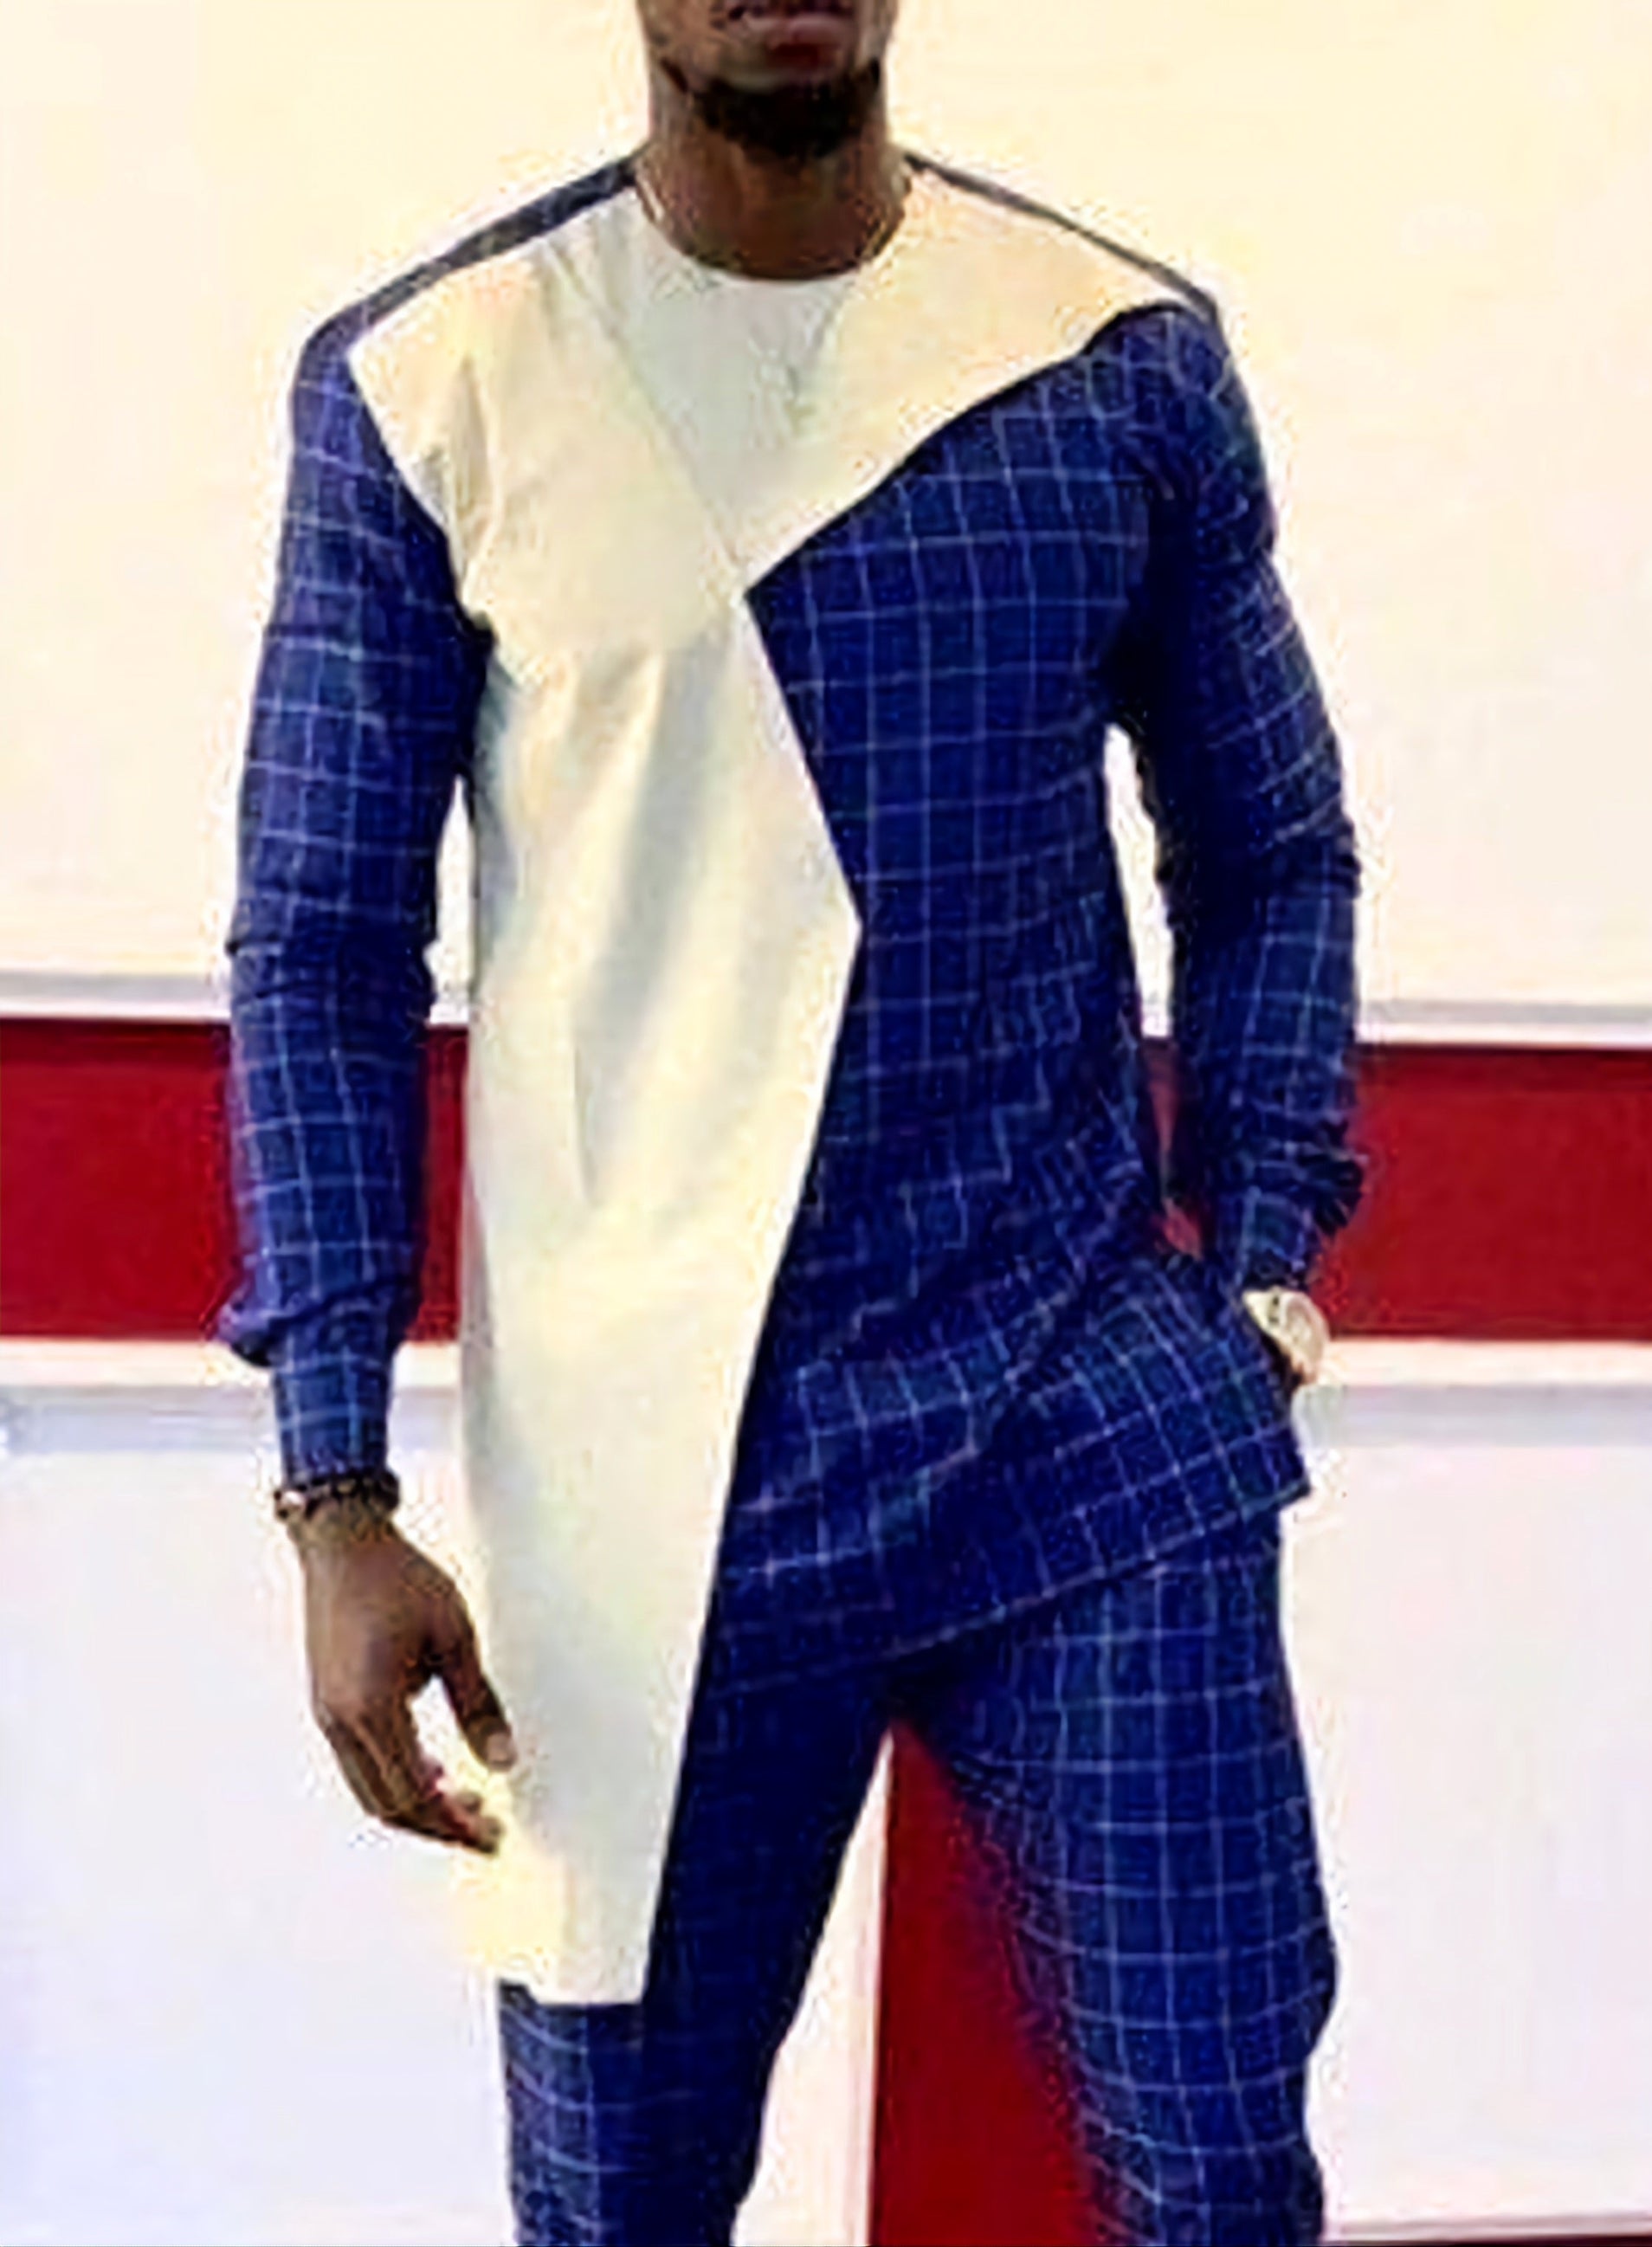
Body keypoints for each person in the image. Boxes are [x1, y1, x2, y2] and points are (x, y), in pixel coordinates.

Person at [219, 1, 1365, 2239]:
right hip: (651, 1473)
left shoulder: (1114, 355)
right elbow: (324, 941)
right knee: (620, 2203)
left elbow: (1268, 847)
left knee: (1224, 2173)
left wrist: (1260, 1275)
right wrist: (332, 1482)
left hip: (1087, 1424)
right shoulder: (433, 380)